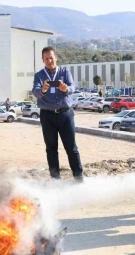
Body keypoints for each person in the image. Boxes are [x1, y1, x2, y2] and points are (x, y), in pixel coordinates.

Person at [32, 46, 83, 181]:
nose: (49, 61)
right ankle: (56, 180)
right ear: (43, 60)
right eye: (46, 58)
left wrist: (66, 88)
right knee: (51, 149)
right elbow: (35, 91)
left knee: (71, 147)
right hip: (47, 116)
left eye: (51, 58)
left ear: (56, 58)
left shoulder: (65, 72)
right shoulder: (39, 75)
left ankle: (78, 178)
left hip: (65, 115)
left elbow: (72, 87)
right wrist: (42, 90)